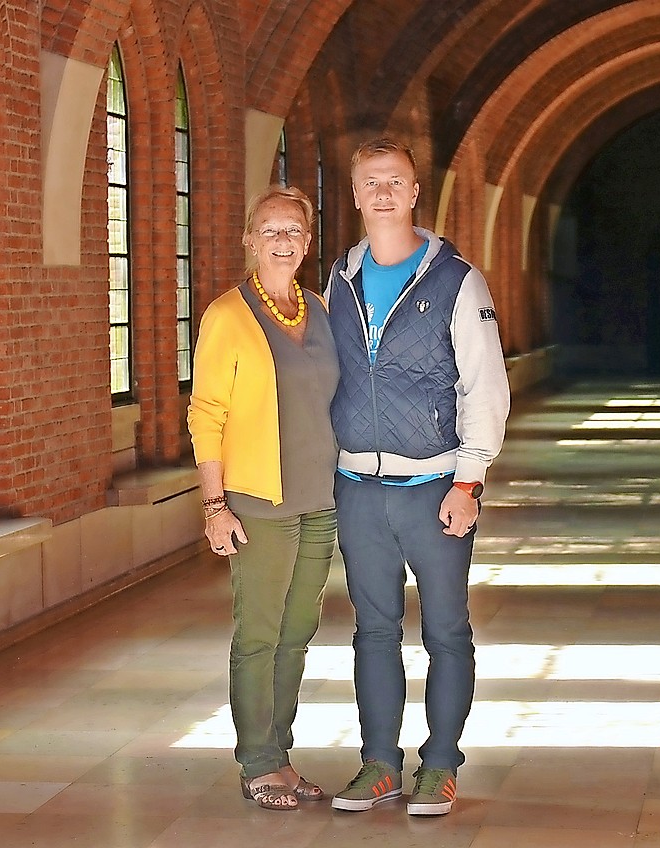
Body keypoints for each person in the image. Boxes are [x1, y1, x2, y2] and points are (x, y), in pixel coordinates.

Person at [325, 138, 510, 816]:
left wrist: (469, 480)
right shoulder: (338, 282)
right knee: (373, 630)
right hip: (358, 488)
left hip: (435, 488)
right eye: (369, 182)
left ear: (413, 194)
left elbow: (485, 383)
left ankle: (440, 765)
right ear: (354, 196)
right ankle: (379, 763)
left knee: (445, 632)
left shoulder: (456, 280)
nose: (382, 193)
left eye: (394, 182)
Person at [187, 186, 340, 812]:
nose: (283, 240)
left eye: (294, 231)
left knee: (298, 631)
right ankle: (257, 763)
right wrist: (214, 503)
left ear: (307, 241)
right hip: (258, 500)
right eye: (270, 229)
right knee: (259, 632)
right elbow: (207, 412)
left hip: (322, 498)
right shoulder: (227, 315)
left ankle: (282, 754)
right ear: (250, 239)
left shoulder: (324, 310)